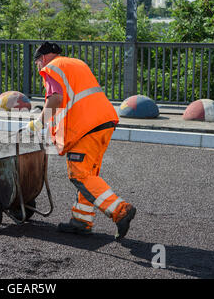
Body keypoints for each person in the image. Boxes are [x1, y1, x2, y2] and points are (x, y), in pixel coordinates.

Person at [26, 41, 136, 241]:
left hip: (85, 128)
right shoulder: (76, 63)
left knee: (79, 174)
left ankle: (121, 210)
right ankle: (81, 220)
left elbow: (56, 99)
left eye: (37, 64)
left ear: (41, 59)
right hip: (103, 122)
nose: (38, 68)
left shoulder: (52, 68)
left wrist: (38, 123)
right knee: (88, 173)